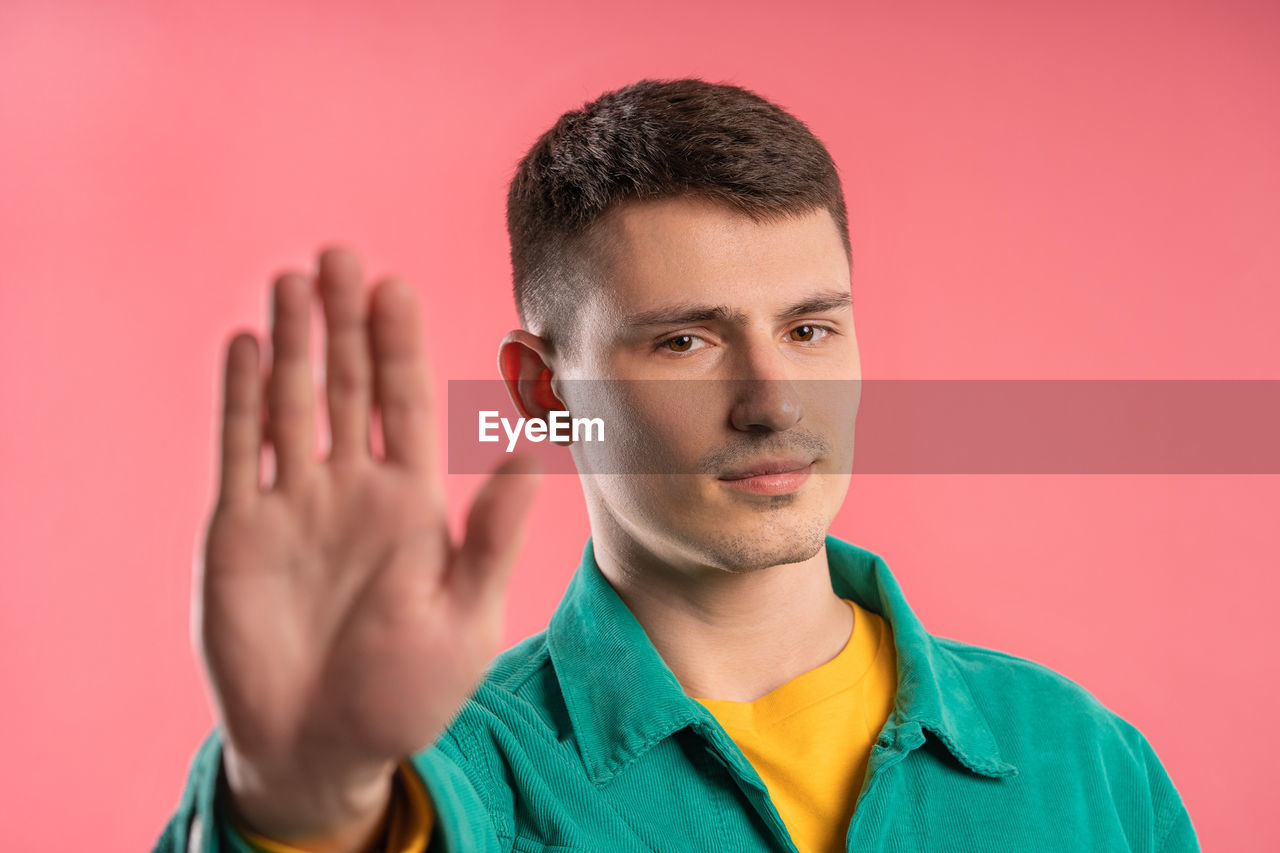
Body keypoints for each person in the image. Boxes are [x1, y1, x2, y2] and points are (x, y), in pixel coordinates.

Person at [153, 78, 1199, 853]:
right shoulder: (447, 776)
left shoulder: (1083, 760)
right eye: (682, 341)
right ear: (540, 393)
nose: (773, 401)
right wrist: (300, 800)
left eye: (809, 330)